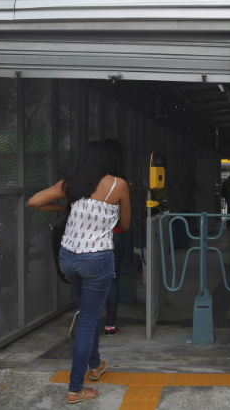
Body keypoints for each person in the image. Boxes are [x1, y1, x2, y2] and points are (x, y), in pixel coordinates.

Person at [28, 141, 130, 404]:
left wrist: (64, 208)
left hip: (68, 258)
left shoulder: (71, 184)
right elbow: (125, 225)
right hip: (97, 259)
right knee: (88, 319)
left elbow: (35, 201)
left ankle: (95, 365)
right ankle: (75, 389)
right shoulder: (118, 185)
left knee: (88, 310)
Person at [104, 138, 128, 336]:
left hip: (88, 237)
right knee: (113, 279)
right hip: (115, 235)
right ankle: (110, 324)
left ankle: (88, 321)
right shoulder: (120, 182)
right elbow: (125, 222)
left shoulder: (87, 180)